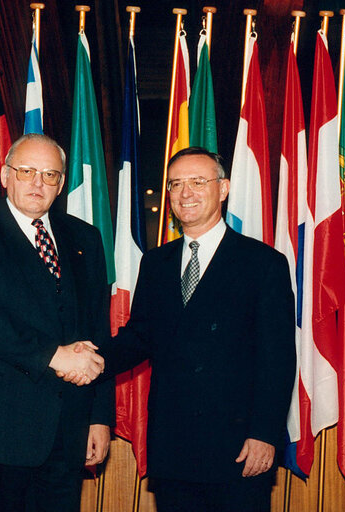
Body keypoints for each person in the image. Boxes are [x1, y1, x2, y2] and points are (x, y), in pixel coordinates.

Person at [65, 146, 296, 511]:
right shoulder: (156, 264)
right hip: (174, 445)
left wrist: (264, 434)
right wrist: (85, 359)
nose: (185, 193)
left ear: (223, 189)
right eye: (175, 184)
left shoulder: (263, 263)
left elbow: (278, 358)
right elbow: (138, 338)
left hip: (238, 447)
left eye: (197, 182)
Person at [0, 133, 114, 512]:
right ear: (5, 175)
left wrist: (99, 417)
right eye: (27, 171)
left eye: (50, 175)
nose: (38, 183)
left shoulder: (86, 238)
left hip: (67, 429)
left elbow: (97, 329)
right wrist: (54, 356)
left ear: (61, 184)